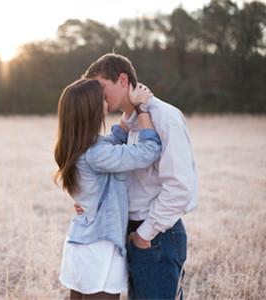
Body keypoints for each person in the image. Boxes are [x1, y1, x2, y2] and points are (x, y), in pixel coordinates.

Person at [75, 53, 198, 300]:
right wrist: (92, 200)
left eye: (101, 87)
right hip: (128, 232)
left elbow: (180, 187)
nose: (98, 97)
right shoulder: (129, 123)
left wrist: (144, 235)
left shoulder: (164, 116)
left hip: (157, 236)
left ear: (122, 79)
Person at [54, 78, 162, 299]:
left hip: (83, 243)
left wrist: (127, 115)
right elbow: (149, 151)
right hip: (99, 249)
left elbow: (112, 140)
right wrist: (141, 109)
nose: (107, 101)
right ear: (92, 109)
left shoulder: (80, 146)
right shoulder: (97, 154)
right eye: (102, 98)